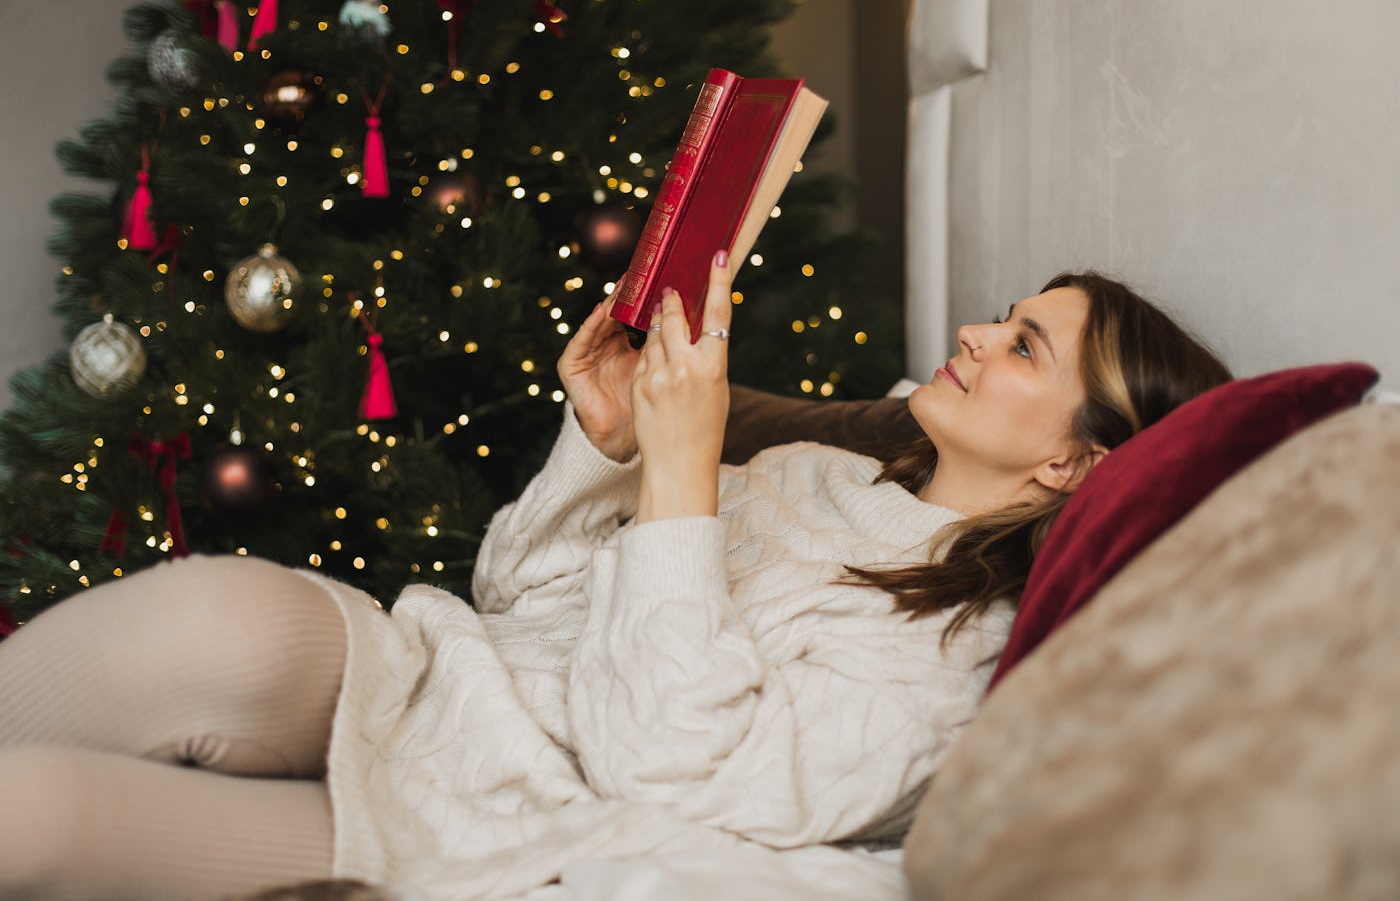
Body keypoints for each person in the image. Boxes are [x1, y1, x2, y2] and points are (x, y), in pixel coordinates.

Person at [0, 254, 1230, 900]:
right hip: (429, 674)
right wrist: (602, 445)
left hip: (480, 809)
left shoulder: (952, 662)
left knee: (38, 820)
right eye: (1004, 312)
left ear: (1077, 460)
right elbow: (518, 596)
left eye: (1022, 345)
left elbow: (662, 766)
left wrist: (685, 471)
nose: (973, 332)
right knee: (208, 615)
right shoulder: (816, 469)